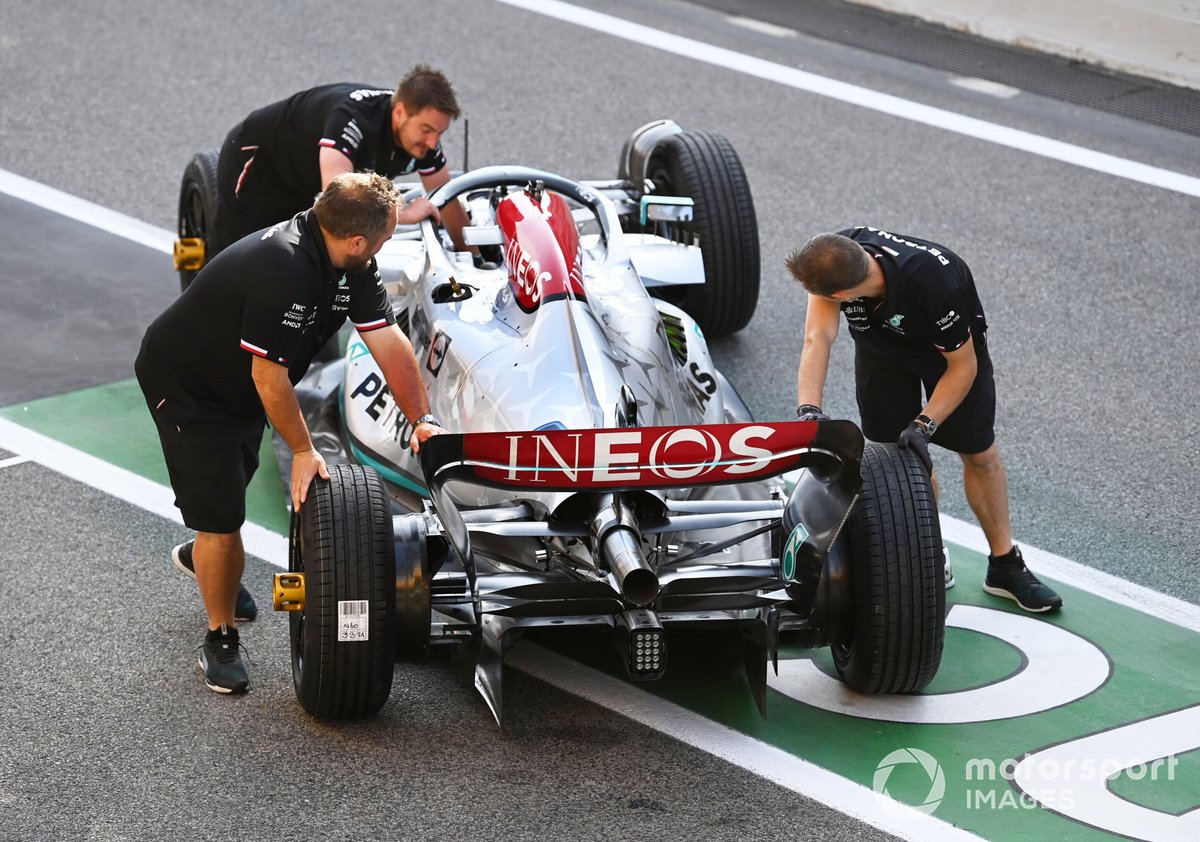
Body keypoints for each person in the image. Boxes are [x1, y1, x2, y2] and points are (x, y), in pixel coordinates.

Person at [136, 172, 445, 694]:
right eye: (386, 238)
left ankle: (206, 559)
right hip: (190, 390)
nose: (386, 246)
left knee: (234, 480)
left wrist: (422, 421)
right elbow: (268, 377)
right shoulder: (286, 274)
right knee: (222, 518)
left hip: (240, 386)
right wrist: (302, 449)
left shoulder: (350, 262)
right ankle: (220, 636)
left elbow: (387, 342)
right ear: (355, 239)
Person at [786, 226, 1062, 613]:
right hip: (882, 353)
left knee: (979, 454)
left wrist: (924, 425)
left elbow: (963, 367)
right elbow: (818, 338)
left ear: (841, 296)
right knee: (901, 460)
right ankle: (929, 554)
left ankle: (1004, 565)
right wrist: (808, 413)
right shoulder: (834, 254)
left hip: (948, 359)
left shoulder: (934, 282)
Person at [207, 65, 471, 259]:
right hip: (261, 166)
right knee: (238, 263)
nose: (433, 142)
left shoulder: (423, 139)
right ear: (400, 112)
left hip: (308, 181)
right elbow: (341, 200)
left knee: (309, 260)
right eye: (427, 130)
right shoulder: (352, 118)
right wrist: (405, 213)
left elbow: (446, 201)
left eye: (440, 133)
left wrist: (478, 255)